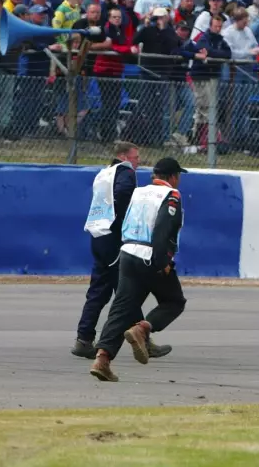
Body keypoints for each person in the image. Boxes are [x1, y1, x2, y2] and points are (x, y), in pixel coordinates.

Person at [90, 157, 189, 382]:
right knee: (174, 301)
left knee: (122, 309)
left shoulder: (138, 192)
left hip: (127, 253)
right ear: (173, 177)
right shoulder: (171, 196)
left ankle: (102, 359)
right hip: (150, 256)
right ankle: (143, 329)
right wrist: (162, 261)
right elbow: (163, 228)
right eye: (179, 176)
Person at [73, 142, 173, 360]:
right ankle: (143, 340)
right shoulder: (126, 172)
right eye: (136, 157)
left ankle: (84, 338)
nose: (138, 162)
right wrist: (130, 216)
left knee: (101, 290)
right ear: (123, 156)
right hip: (114, 241)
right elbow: (122, 197)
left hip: (98, 236)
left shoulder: (104, 173)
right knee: (128, 293)